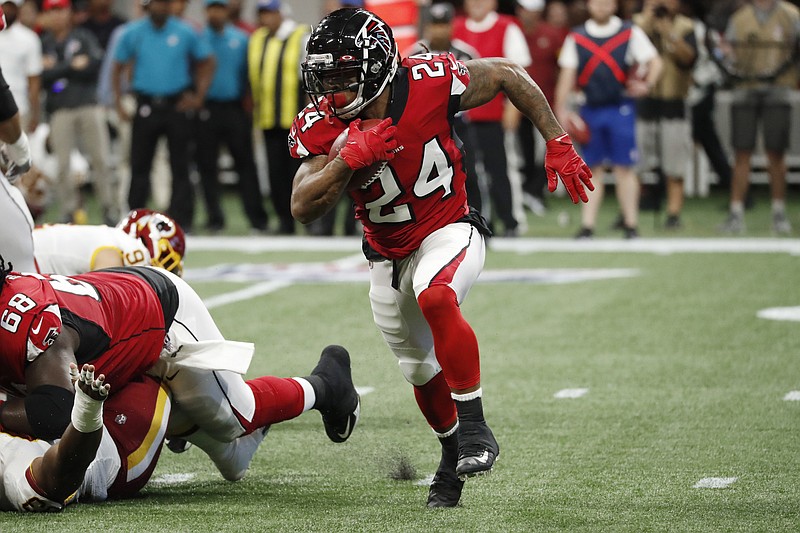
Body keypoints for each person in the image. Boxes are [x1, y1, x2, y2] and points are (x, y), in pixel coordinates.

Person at [289, 8, 592, 507]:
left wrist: (556, 139)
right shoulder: (324, 121)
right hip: (386, 253)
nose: (332, 94)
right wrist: (349, 158)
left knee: (437, 295)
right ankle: (451, 460)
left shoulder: (428, 81)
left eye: (344, 79)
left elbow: (505, 74)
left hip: (448, 228)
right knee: (417, 369)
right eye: (326, 80)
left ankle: (475, 427)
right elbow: (302, 205)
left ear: (377, 67)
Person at [0, 257, 361, 481]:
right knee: (234, 464)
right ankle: (181, 416)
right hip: (110, 344)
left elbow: (57, 414)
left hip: (161, 314)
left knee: (234, 417)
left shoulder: (28, 322)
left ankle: (327, 384)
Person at [554, 0, 662, 239]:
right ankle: (588, 225)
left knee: (625, 167)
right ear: (589, 5)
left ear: (614, 5)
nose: (601, 6)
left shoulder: (629, 32)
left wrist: (647, 85)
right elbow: (567, 74)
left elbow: (655, 61)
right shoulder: (577, 37)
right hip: (590, 108)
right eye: (597, 2)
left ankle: (631, 224)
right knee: (592, 168)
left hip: (621, 107)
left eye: (606, 2)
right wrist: (560, 109)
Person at [112, 0, 216, 233]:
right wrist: (118, 102)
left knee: (181, 164)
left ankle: (182, 219)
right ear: (148, 6)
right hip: (146, 104)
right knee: (139, 164)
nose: (160, 7)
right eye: (156, 3)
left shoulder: (185, 31)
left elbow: (207, 61)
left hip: (176, 105)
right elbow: (117, 66)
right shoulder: (133, 32)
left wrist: (199, 96)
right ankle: (135, 218)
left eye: (164, 3)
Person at [718, 0, 799, 235]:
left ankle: (779, 212)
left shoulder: (791, 14)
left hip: (779, 88)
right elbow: (728, 53)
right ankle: (736, 213)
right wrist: (726, 55)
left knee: (776, 153)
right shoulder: (740, 16)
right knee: (741, 152)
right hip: (745, 88)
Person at [452, 0, 532, 236]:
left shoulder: (507, 27)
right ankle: (475, 220)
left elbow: (520, 74)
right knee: (466, 173)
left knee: (501, 169)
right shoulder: (454, 26)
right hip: (459, 119)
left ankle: (510, 220)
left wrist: (513, 109)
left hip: (492, 115)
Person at [40, 0, 119, 226]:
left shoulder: (83, 37)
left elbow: (94, 65)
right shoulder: (45, 42)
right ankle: (68, 211)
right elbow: (43, 77)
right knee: (62, 163)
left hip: (87, 105)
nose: (57, 16)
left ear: (69, 13)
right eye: (51, 11)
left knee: (100, 158)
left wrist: (57, 69)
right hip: (60, 109)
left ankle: (109, 209)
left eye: (60, 10)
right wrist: (70, 66)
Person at [405, 2, 483, 215]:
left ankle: (478, 217)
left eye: (443, 24)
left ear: (451, 26)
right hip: (427, 126)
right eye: (435, 24)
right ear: (427, 26)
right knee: (423, 176)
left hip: (458, 123)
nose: (439, 30)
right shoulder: (414, 53)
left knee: (471, 173)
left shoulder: (465, 53)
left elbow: (479, 87)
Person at [198, 0, 268, 234]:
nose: (216, 13)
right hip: (206, 109)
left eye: (220, 8)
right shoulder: (197, 38)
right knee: (207, 166)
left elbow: (250, 75)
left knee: (245, 164)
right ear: (206, 11)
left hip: (235, 108)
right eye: (212, 8)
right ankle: (214, 219)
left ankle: (257, 220)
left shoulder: (241, 39)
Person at [633, 0, 697, 229]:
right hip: (643, 102)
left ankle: (673, 214)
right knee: (635, 163)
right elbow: (629, 55)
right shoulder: (636, 25)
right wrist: (648, 23)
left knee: (674, 164)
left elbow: (688, 58)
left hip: (673, 102)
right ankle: (630, 212)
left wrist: (669, 33)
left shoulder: (685, 26)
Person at [248, 0, 310, 235]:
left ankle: (309, 221)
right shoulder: (257, 39)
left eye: (269, 13)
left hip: (295, 120)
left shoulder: (299, 36)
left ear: (281, 13)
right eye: (262, 13)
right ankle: (284, 221)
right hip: (267, 118)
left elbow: (307, 80)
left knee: (299, 173)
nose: (265, 18)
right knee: (275, 174)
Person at [516, 0, 567, 216]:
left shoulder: (553, 35)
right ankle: (526, 191)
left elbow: (563, 66)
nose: (529, 15)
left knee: (546, 149)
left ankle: (535, 190)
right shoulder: (513, 32)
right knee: (521, 150)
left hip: (546, 103)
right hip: (515, 104)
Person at [33, 208, 186, 276]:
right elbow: (102, 299)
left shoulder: (105, 236)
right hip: (20, 265)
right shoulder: (114, 249)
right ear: (145, 242)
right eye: (166, 261)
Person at [0, 0, 42, 133]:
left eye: (11, 7)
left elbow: (33, 80)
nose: (7, 11)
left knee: (18, 152)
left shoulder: (29, 38)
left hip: (19, 108)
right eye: (4, 6)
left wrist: (35, 114)